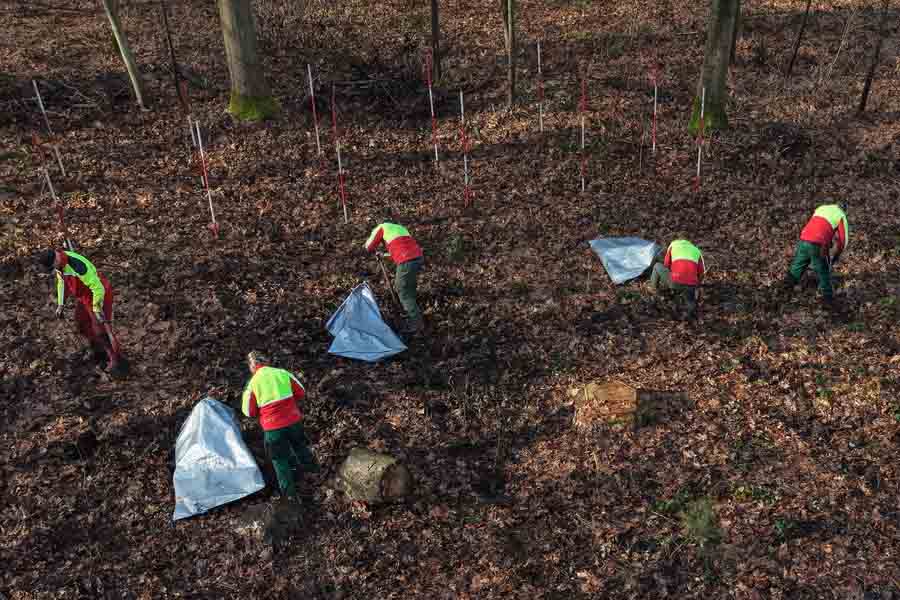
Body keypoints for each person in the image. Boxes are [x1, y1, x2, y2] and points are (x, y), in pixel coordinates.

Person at [241, 351, 317, 500]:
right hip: (293, 421)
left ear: (252, 366)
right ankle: (315, 475)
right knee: (301, 447)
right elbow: (301, 392)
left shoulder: (252, 383)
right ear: (266, 361)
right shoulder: (282, 373)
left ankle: (290, 495)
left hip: (273, 428)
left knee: (279, 461)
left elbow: (248, 412)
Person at [40, 249, 124, 373]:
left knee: (100, 328)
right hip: (85, 297)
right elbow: (62, 282)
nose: (53, 270)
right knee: (81, 323)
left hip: (99, 294)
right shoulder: (59, 265)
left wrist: (96, 308)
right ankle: (100, 351)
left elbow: (98, 287)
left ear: (56, 260)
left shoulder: (76, 265)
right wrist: (61, 304)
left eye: (52, 267)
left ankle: (116, 360)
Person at [364, 218, 425, 333]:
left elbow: (369, 246)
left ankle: (416, 323)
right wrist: (383, 255)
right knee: (409, 287)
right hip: (417, 258)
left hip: (406, 260)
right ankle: (413, 311)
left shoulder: (382, 227)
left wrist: (369, 245)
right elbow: (400, 250)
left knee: (402, 289)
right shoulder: (400, 228)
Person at [782, 203, 848, 308]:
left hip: (804, 238)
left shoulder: (821, 208)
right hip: (817, 244)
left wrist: (827, 241)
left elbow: (817, 226)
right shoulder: (841, 215)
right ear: (844, 210)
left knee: (798, 265)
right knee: (823, 270)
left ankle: (785, 288)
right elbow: (843, 240)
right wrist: (837, 254)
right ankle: (828, 299)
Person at [650, 239, 705, 320]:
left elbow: (666, 265)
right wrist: (697, 285)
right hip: (691, 285)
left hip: (675, 281)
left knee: (657, 266)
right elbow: (702, 273)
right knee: (690, 301)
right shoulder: (696, 250)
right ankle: (690, 310)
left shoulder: (673, 245)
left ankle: (654, 289)